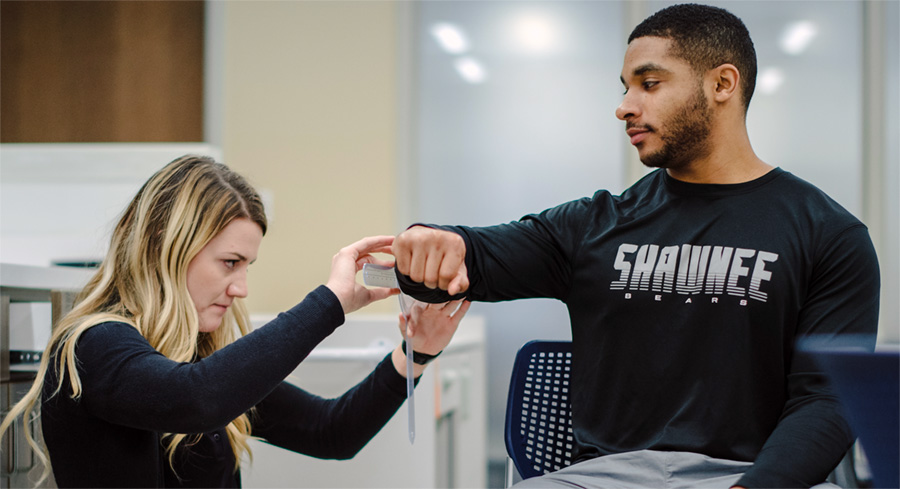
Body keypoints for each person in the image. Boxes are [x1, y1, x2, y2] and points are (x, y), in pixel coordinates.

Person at [391, 4, 879, 489]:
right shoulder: (594, 224)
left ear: (722, 84)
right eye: (625, 88)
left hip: (748, 477)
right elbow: (475, 255)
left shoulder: (829, 236)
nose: (624, 106)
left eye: (649, 84)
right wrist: (432, 245)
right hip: (600, 479)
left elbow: (825, 400)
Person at [0, 155, 470, 488]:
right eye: (229, 263)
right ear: (168, 245)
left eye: (247, 267)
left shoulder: (199, 360)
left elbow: (332, 431)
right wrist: (330, 303)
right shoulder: (93, 348)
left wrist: (417, 352)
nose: (241, 287)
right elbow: (196, 397)